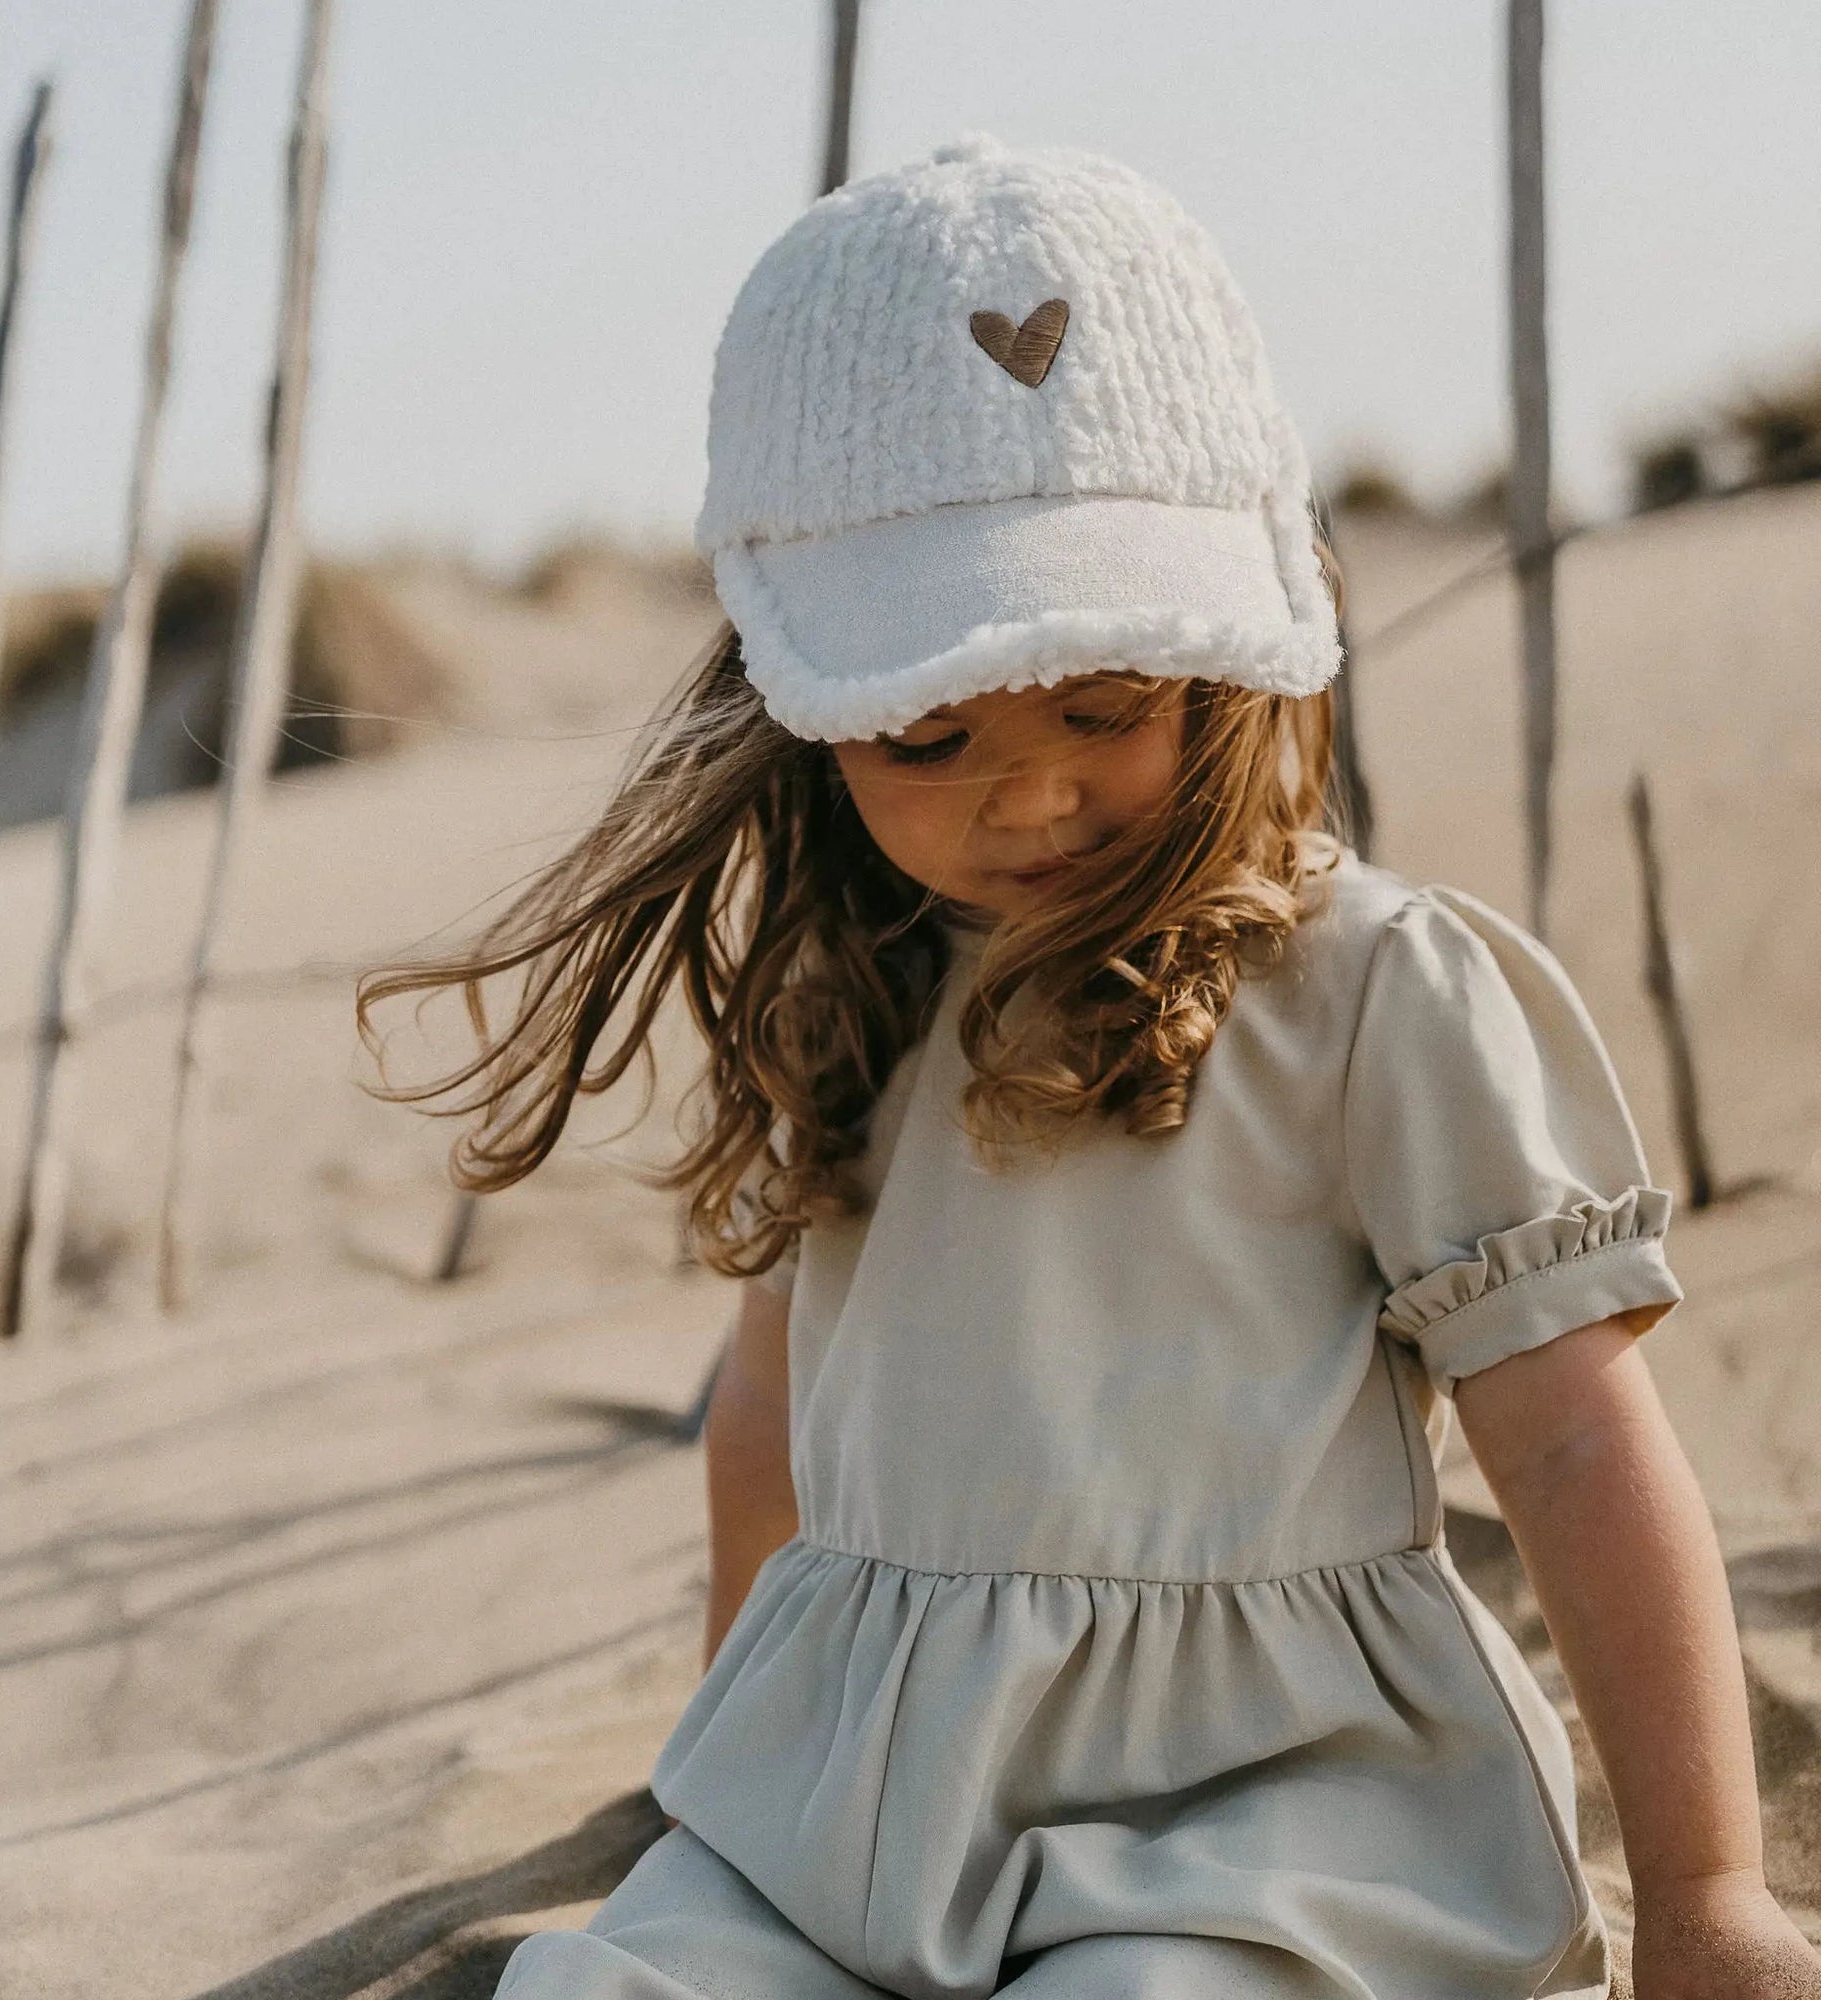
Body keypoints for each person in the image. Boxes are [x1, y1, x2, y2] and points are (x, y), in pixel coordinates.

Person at [361, 137, 1821, 1998]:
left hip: (1265, 1813)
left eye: (1108, 705)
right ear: (805, 725)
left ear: (1229, 667)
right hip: (863, 1813)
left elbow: (1574, 1435)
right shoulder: (851, 997)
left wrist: (1707, 1897)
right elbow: (765, 1428)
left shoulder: (1371, 993)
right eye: (931, 729)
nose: (1031, 791)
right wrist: (726, 1799)